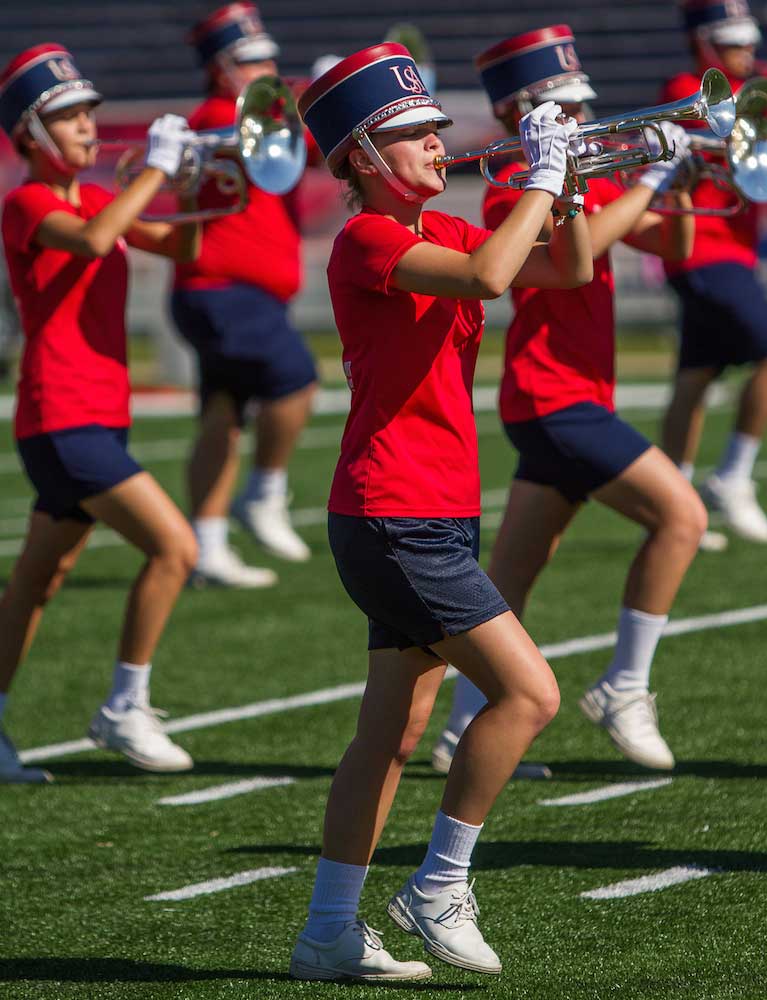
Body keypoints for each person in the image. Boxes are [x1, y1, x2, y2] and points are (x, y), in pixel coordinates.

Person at [288, 42, 593, 982]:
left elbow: (562, 273)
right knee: (530, 695)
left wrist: (570, 185)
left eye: (432, 126)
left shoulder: (449, 230)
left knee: (390, 736)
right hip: (395, 511)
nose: (438, 141)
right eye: (415, 132)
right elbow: (493, 281)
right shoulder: (369, 238)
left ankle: (329, 931)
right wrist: (538, 173)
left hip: (428, 509)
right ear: (366, 157)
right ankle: (438, 886)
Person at [432, 26, 707, 777]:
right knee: (683, 517)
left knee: (511, 581)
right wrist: (648, 181)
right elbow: (574, 265)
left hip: (569, 394)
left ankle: (463, 728)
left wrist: (677, 185)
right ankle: (626, 685)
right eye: (567, 108)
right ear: (525, 110)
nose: (585, 121)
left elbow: (672, 247)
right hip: (551, 395)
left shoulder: (586, 182)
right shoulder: (509, 191)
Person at [0, 44, 199, 782]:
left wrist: (203, 184)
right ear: (30, 134)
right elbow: (92, 241)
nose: (87, 126)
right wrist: (152, 169)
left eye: (87, 112)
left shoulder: (92, 197)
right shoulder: (31, 202)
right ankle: (125, 704)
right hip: (62, 417)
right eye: (68, 116)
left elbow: (185, 244)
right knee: (175, 548)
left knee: (34, 584)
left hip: (94, 417)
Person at [170, 2, 318, 588]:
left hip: (240, 295)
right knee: (296, 378)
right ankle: (265, 493)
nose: (268, 68)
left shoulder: (261, 118)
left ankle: (205, 545)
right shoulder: (216, 116)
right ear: (221, 69)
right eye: (252, 60)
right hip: (222, 291)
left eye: (269, 57)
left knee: (222, 416)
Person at [660, 0, 767, 545]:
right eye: (733, 43)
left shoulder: (760, 81)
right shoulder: (685, 84)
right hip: (698, 248)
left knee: (695, 378)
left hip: (733, 250)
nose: (747, 52)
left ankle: (673, 503)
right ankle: (733, 476)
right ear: (705, 45)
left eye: (749, 42)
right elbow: (733, 134)